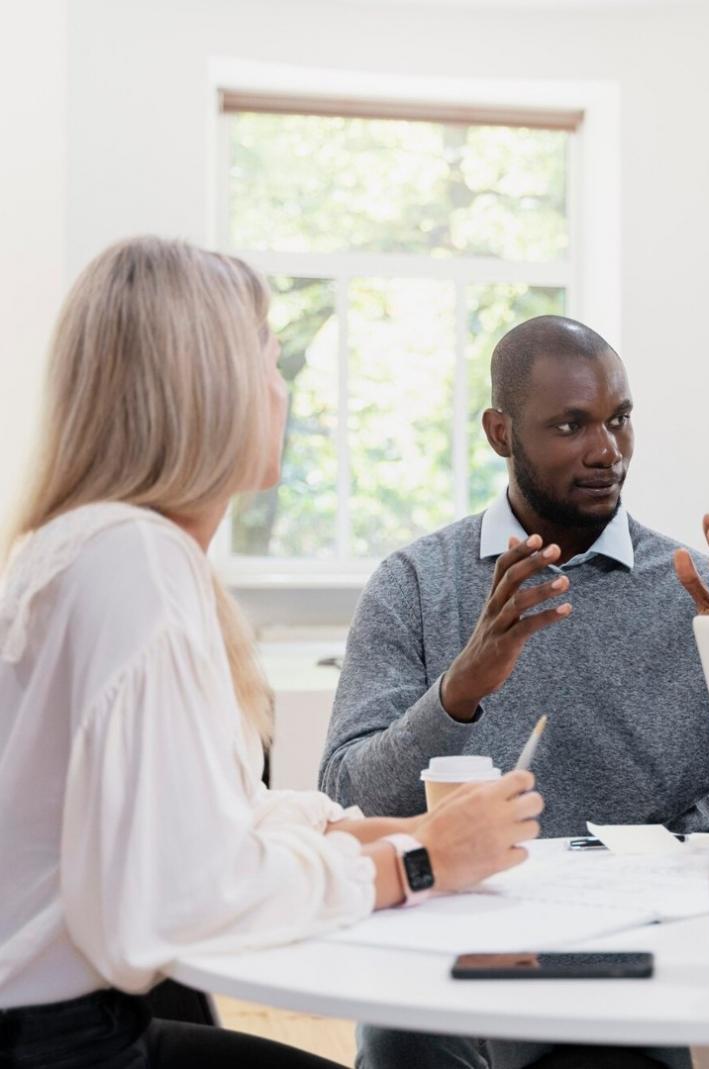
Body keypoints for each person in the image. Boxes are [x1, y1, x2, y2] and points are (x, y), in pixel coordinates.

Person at [0, 237, 540, 1069]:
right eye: (269, 360)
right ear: (206, 386)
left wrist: (397, 832)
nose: (283, 392)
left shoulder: (86, 549)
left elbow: (203, 824)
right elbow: (174, 898)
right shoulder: (134, 563)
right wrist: (422, 861)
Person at [320, 314, 709, 1069]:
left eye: (620, 419)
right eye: (570, 425)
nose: (606, 450)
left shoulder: (697, 589)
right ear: (501, 432)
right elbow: (350, 798)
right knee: (404, 1045)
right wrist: (463, 684)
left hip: (645, 950)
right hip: (469, 937)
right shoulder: (417, 583)